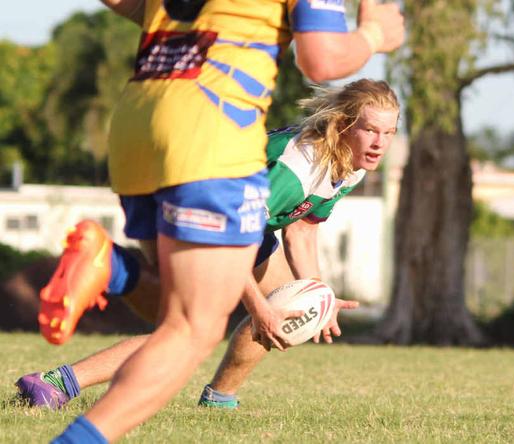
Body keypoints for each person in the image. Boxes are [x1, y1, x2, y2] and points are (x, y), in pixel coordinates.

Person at [42, 0, 402, 437]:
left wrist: (317, 291)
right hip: (210, 131)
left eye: (390, 132)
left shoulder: (349, 164)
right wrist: (374, 37)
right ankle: (111, 270)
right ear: (344, 125)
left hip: (140, 117)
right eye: (372, 130)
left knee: (174, 310)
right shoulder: (299, 165)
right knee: (196, 324)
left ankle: (192, 381)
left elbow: (302, 229)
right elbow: (322, 59)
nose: (381, 141)